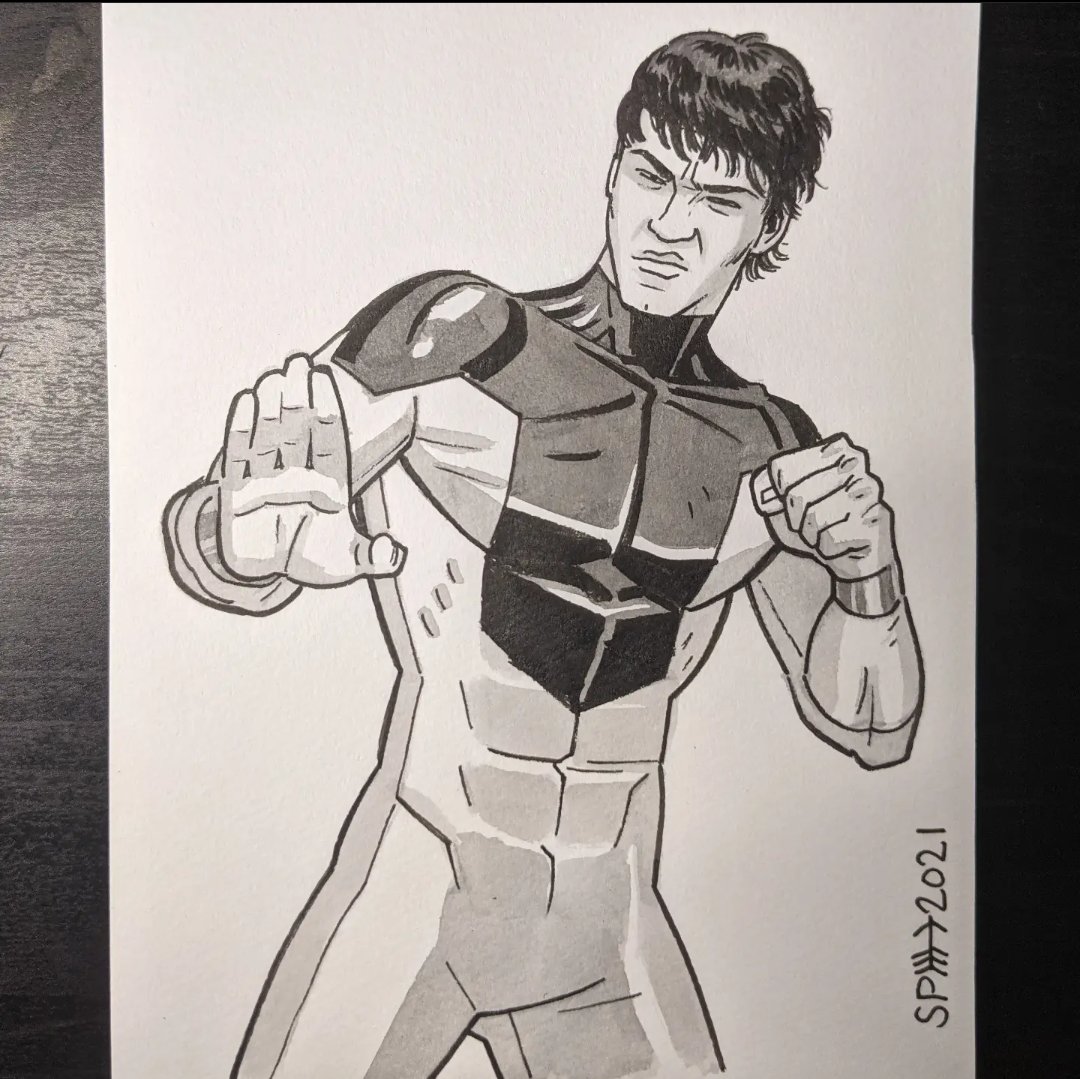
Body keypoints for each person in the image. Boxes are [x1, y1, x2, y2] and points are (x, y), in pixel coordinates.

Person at [164, 30, 923, 1079]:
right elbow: (242, 510)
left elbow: (873, 725)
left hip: (610, 939)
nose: (669, 224)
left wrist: (870, 578)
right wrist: (237, 546)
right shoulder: (467, 335)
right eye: (651, 174)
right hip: (419, 895)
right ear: (613, 169)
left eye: (718, 199)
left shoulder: (769, 448)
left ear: (769, 226)